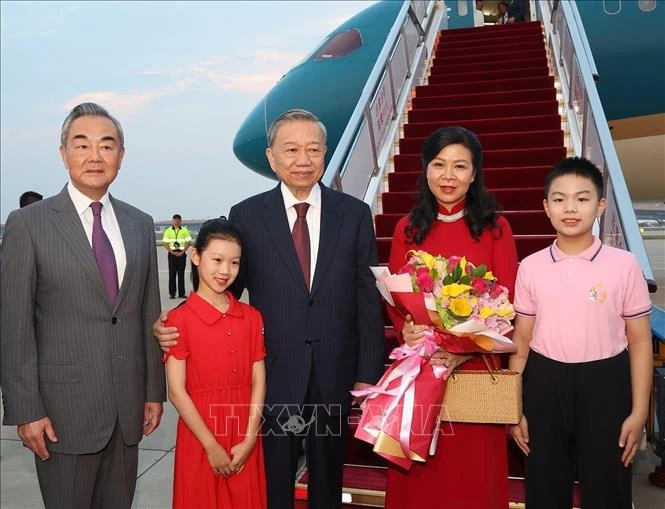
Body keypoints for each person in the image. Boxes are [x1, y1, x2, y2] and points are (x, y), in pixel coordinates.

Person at [155, 108, 385, 509]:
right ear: (271, 157)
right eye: (291, 150)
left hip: (335, 367)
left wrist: (368, 374)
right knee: (273, 477)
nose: (303, 160)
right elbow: (226, 288)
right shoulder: (247, 215)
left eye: (313, 149)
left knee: (328, 476)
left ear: (326, 153)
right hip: (273, 370)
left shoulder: (354, 214)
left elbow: (368, 294)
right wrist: (175, 323)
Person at [0, 102, 166, 509]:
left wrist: (152, 392)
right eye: (82, 144)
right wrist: (26, 410)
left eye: (107, 146)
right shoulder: (28, 224)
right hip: (60, 414)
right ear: (63, 154)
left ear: (121, 157)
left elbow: (147, 313)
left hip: (128, 410)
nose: (95, 156)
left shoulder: (140, 223)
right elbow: (14, 325)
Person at [385, 126, 518, 509]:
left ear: (474, 173)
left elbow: (505, 303)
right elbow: (396, 300)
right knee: (422, 478)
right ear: (425, 168)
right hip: (422, 367)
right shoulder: (407, 229)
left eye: (460, 166)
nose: (448, 176)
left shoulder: (496, 228)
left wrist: (465, 351)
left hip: (475, 369)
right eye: (439, 164)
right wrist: (407, 331)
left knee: (471, 480)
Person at [509, 157, 653, 509]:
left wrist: (639, 412)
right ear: (546, 206)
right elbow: (522, 342)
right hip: (544, 383)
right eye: (559, 199)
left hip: (606, 383)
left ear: (601, 205)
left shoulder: (624, 265)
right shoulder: (530, 267)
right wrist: (513, 408)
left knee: (608, 488)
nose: (570, 208)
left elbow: (639, 342)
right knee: (544, 487)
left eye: (583, 198)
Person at [164, 218, 267, 508]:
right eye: (217, 260)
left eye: (234, 263)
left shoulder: (251, 317)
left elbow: (258, 381)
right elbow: (176, 391)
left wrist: (249, 438)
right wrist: (210, 445)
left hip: (245, 433)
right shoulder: (178, 320)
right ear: (195, 257)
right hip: (200, 435)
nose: (225, 271)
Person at [162, 214, 192, 299]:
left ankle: (181, 293)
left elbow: (188, 242)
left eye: (178, 220)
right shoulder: (168, 231)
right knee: (172, 274)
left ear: (180, 221)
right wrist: (171, 252)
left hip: (181, 254)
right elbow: (165, 243)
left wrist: (182, 251)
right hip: (172, 254)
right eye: (175, 220)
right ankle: (172, 293)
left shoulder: (185, 230)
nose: (177, 221)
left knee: (181, 274)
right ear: (172, 221)